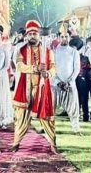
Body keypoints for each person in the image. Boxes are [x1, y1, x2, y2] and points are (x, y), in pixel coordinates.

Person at [12, 19, 57, 153]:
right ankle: (16, 143)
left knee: (46, 116)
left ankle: (53, 143)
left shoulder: (48, 51)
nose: (32, 36)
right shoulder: (22, 50)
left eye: (35, 33)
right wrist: (34, 68)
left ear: (39, 35)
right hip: (25, 88)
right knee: (22, 117)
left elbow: (53, 67)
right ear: (27, 35)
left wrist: (48, 73)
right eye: (30, 34)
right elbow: (19, 66)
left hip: (42, 88)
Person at [53, 29, 81, 133]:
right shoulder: (54, 52)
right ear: (58, 38)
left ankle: (76, 129)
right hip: (56, 84)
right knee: (50, 107)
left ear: (69, 38)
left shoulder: (74, 52)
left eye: (66, 37)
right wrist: (58, 81)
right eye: (62, 37)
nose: (64, 39)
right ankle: (48, 128)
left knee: (73, 107)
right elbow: (52, 68)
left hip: (70, 84)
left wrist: (69, 81)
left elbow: (76, 69)